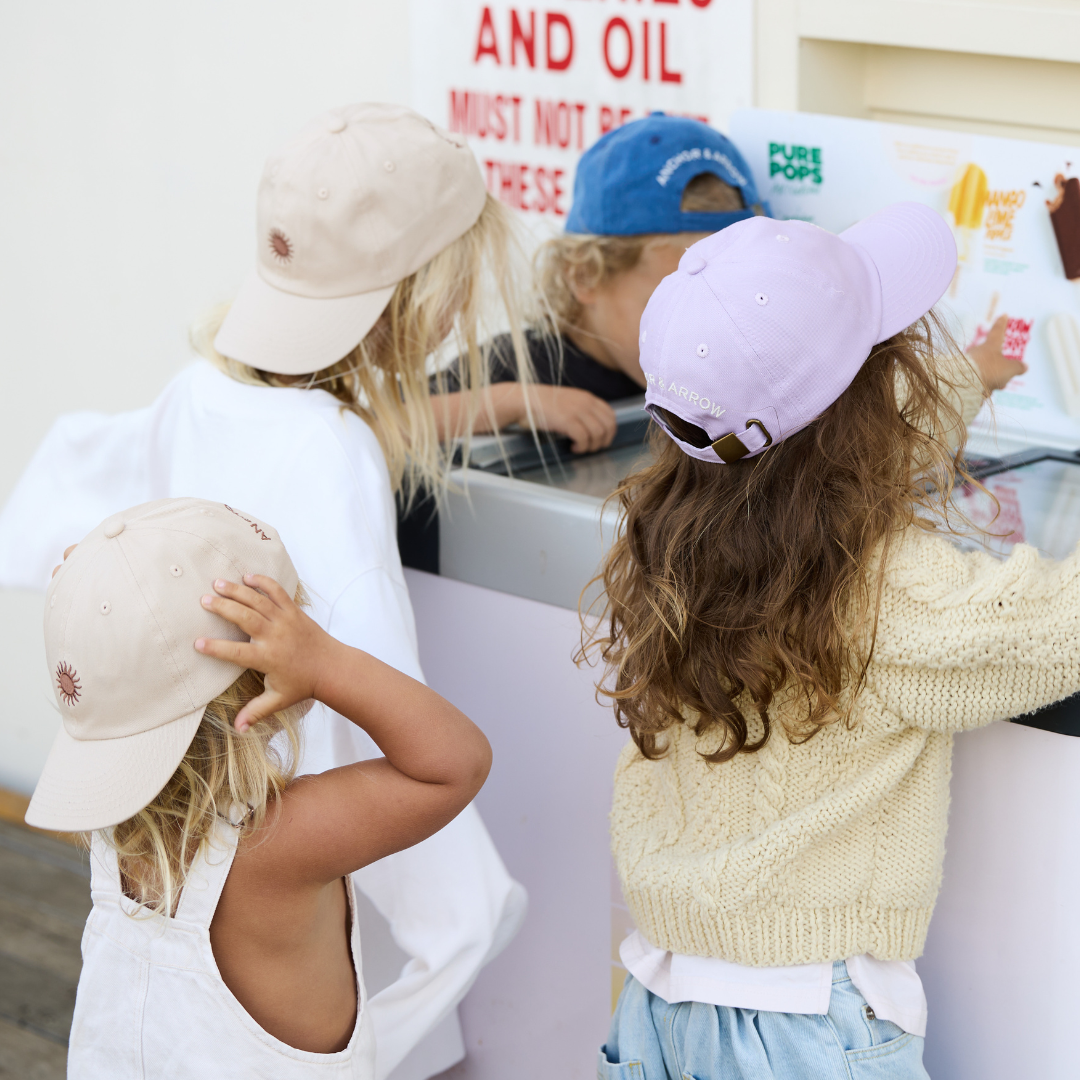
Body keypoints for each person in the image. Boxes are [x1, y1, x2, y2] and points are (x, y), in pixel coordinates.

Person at [0, 104, 528, 1080]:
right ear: (423, 299)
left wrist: (477, 406)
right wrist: (463, 915)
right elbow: (425, 745)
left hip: (194, 794)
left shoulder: (201, 387)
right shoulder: (337, 455)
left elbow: (331, 422)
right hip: (299, 837)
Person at [585, 204, 1065, 1079]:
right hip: (807, 1029)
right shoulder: (889, 595)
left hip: (659, 1001)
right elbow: (1051, 630)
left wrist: (975, 376)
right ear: (868, 409)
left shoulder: (671, 535)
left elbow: (798, 443)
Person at [30, 498, 493, 1079]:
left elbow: (130, 685)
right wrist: (329, 664)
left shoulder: (114, 822)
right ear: (264, 685)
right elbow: (456, 763)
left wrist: (99, 627)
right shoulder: (277, 844)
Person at [431, 113, 770, 456]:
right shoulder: (517, 366)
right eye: (671, 309)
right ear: (585, 274)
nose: (704, 338)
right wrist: (509, 402)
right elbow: (385, 427)